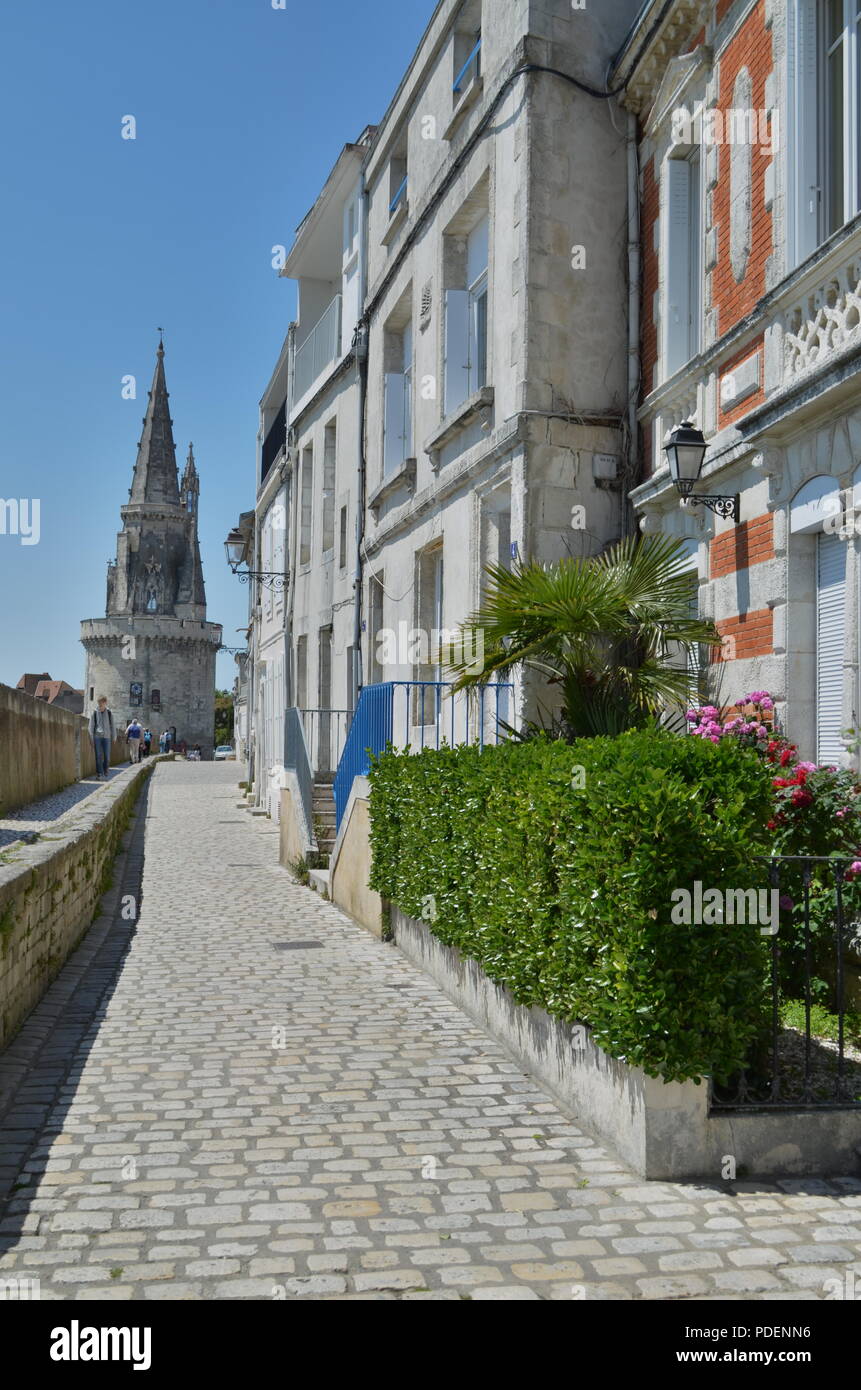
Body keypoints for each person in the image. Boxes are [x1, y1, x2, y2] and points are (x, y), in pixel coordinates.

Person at [89, 697, 115, 780]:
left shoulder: (109, 713)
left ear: (105, 703)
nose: (100, 705)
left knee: (107, 757)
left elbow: (113, 726)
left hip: (107, 737)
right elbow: (91, 726)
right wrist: (91, 738)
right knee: (98, 756)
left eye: (101, 703)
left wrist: (114, 736)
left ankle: (105, 768)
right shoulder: (94, 713)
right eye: (99, 703)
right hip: (97, 737)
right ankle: (99, 773)